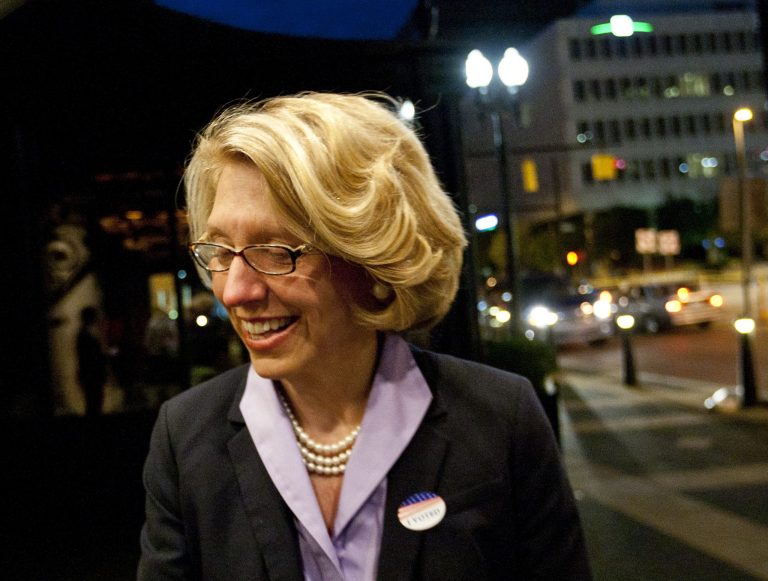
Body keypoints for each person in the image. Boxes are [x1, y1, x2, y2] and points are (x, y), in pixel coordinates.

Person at [138, 92, 592, 580]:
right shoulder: (185, 437)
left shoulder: (501, 420)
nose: (234, 290)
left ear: (374, 260)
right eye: (221, 250)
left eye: (276, 250)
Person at [76, 305, 108, 417]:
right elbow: (91, 358)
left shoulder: (85, 334)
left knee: (93, 403)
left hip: (91, 374)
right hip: (92, 375)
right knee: (94, 403)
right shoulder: (86, 335)